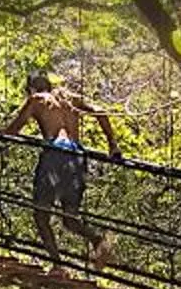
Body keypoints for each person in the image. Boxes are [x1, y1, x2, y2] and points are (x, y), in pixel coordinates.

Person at [6, 68, 121, 271]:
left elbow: (12, 131)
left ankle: (57, 265)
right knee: (69, 218)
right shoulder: (69, 98)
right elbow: (100, 112)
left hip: (55, 156)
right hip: (77, 157)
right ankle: (98, 241)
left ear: (31, 88)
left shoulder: (37, 100)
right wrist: (112, 144)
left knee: (41, 215)